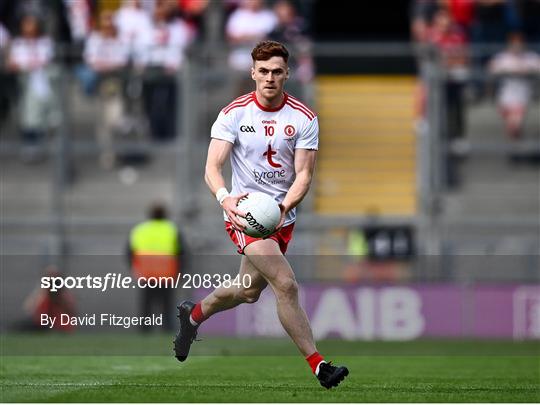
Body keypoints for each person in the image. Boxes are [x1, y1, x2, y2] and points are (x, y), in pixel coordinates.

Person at [173, 40, 349, 389]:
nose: (270, 78)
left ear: (287, 74)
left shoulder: (303, 118)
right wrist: (226, 199)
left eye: (277, 72)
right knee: (285, 284)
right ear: (253, 72)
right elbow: (212, 167)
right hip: (245, 215)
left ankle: (192, 316)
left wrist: (283, 209)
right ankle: (319, 366)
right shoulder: (234, 113)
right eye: (263, 71)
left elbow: (303, 176)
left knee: (247, 290)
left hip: (281, 217)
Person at [84, 10, 130, 169]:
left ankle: (119, 150)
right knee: (103, 124)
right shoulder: (94, 39)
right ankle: (108, 155)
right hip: (100, 83)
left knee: (116, 119)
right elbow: (92, 61)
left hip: (115, 83)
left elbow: (122, 61)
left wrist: (106, 64)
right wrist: (107, 64)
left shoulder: (119, 39)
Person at [128, 202, 184, 331]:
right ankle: (167, 330)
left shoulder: (140, 229)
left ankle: (144, 330)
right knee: (167, 304)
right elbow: (181, 253)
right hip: (167, 273)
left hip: (146, 274)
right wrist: (181, 271)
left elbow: (130, 252)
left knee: (146, 304)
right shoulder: (172, 229)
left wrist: (134, 268)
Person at [489, 32, 540, 140]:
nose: (517, 47)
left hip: (522, 96)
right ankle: (515, 148)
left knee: (516, 124)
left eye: (519, 44)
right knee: (511, 127)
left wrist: (529, 71)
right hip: (505, 96)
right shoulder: (502, 57)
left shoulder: (531, 57)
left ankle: (516, 149)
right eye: (514, 44)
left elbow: (537, 66)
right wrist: (505, 71)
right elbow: (491, 68)